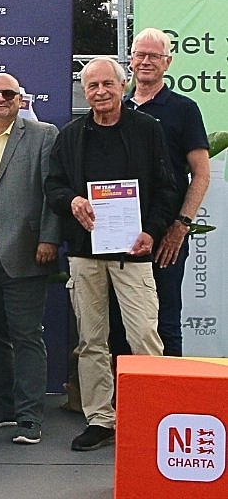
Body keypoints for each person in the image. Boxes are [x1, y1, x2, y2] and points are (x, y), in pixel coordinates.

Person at [44, 56, 176, 451]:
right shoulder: (70, 135)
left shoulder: (147, 129)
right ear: (84, 91)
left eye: (108, 84)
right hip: (85, 254)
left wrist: (153, 231)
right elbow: (53, 185)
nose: (100, 91)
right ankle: (101, 419)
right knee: (91, 341)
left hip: (134, 252)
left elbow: (168, 187)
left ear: (123, 86)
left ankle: (154, 418)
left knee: (144, 336)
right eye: (93, 86)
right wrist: (72, 201)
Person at [0, 73, 61, 444]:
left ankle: (30, 417)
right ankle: (2, 406)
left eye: (8, 94)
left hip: (25, 252)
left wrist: (49, 237)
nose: (0, 99)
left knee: (27, 337)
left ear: (20, 99)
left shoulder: (42, 134)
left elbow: (53, 191)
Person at [118, 28, 210, 357]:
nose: (146, 61)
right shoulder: (117, 106)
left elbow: (201, 173)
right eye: (140, 55)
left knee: (165, 321)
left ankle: (170, 390)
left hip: (166, 236)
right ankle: (124, 391)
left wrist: (180, 226)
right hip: (121, 235)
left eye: (154, 56)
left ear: (167, 62)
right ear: (130, 60)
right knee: (120, 325)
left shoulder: (184, 109)